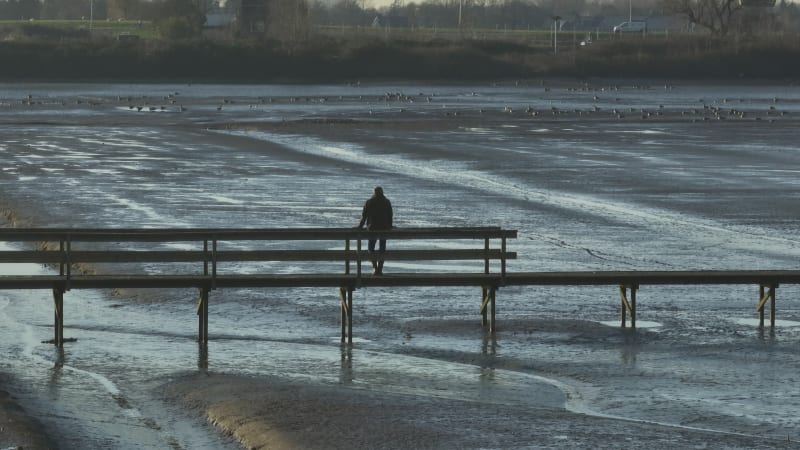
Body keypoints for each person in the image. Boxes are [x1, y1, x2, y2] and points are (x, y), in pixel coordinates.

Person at [357, 186, 393, 275]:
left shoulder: (369, 202)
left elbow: (364, 216)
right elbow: (390, 216)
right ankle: (380, 268)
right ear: (382, 192)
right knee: (382, 249)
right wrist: (390, 226)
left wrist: (360, 226)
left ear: (374, 193)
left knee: (371, 248)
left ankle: (375, 267)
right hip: (384, 228)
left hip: (372, 228)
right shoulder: (387, 202)